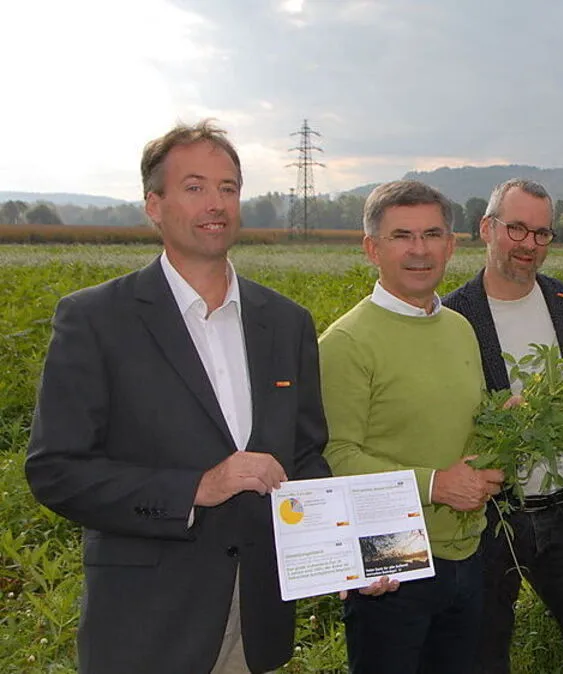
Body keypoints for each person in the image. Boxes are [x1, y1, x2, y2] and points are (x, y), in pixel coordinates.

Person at [24, 120, 333, 674]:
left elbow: (306, 455)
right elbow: (56, 470)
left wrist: (346, 551)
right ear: (154, 205)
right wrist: (197, 488)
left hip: (255, 619)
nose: (216, 203)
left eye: (228, 188)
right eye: (194, 187)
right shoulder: (96, 319)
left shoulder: (287, 322)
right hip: (147, 626)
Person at [444, 179, 563, 673]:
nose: (528, 244)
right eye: (516, 228)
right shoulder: (451, 315)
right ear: (486, 228)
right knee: (483, 658)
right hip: (491, 519)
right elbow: (441, 419)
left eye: (541, 233)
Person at [319, 180, 507, 674]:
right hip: (390, 554)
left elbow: (461, 428)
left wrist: (504, 438)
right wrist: (435, 484)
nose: (419, 250)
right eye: (401, 236)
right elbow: (335, 456)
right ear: (372, 249)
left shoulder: (459, 327)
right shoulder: (346, 342)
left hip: (468, 549)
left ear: (451, 245)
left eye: (432, 234)